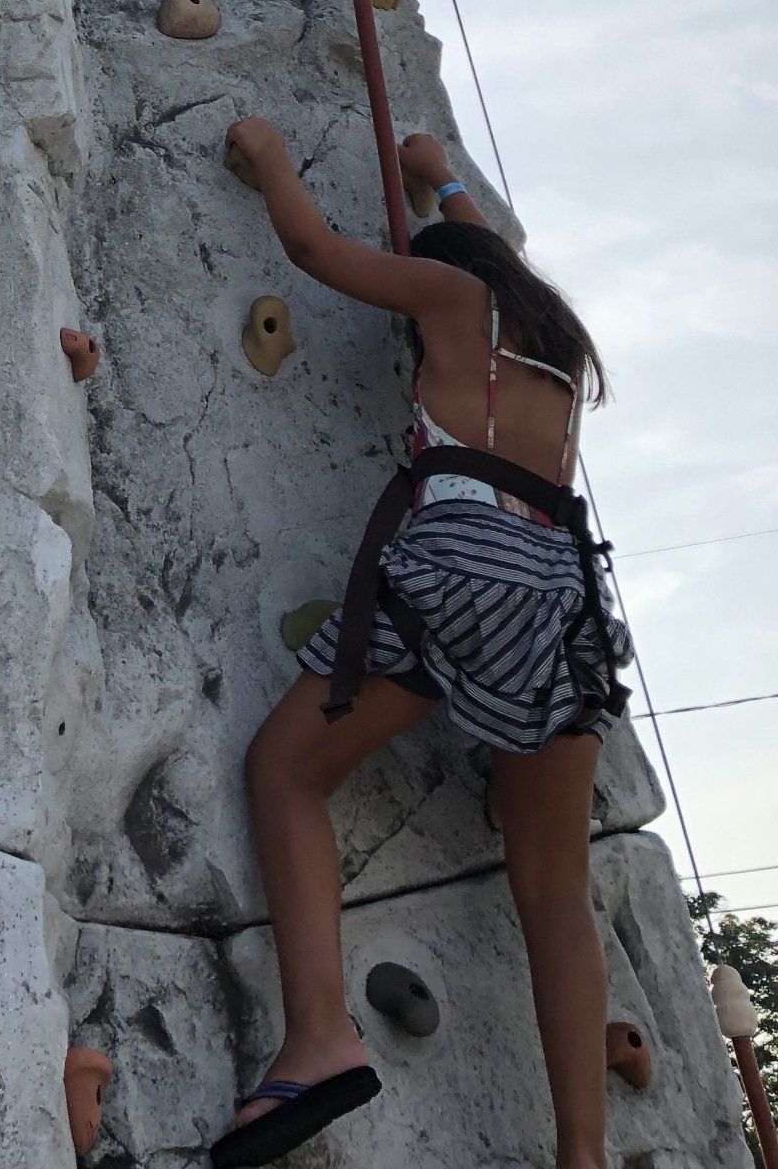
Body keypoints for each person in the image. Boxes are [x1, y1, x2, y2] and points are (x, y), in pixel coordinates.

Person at [209, 122, 629, 1169]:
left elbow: (317, 253)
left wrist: (269, 154)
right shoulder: (557, 345)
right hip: (565, 593)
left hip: (462, 562)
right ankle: (583, 1151)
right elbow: (491, 249)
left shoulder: (451, 300)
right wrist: (440, 179)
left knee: (286, 770)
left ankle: (319, 1036)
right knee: (554, 885)